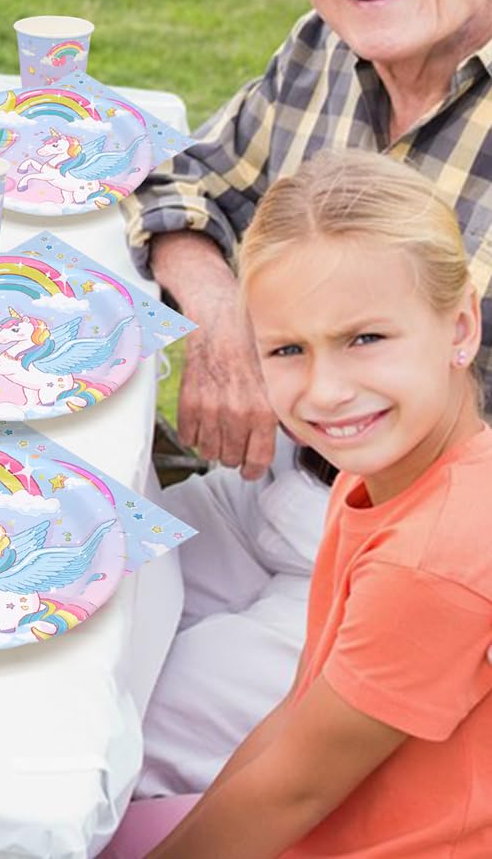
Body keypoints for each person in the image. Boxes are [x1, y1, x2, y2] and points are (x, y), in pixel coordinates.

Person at [129, 0, 492, 795]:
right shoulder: (329, 47)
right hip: (273, 490)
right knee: (64, 596)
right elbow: (180, 187)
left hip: (411, 564)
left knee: (102, 739)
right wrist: (222, 320)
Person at [108, 151, 490, 857]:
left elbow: (295, 792)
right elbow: (297, 713)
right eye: (286, 350)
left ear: (461, 328)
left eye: (365, 339)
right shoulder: (379, 472)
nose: (324, 393)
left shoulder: (431, 562)